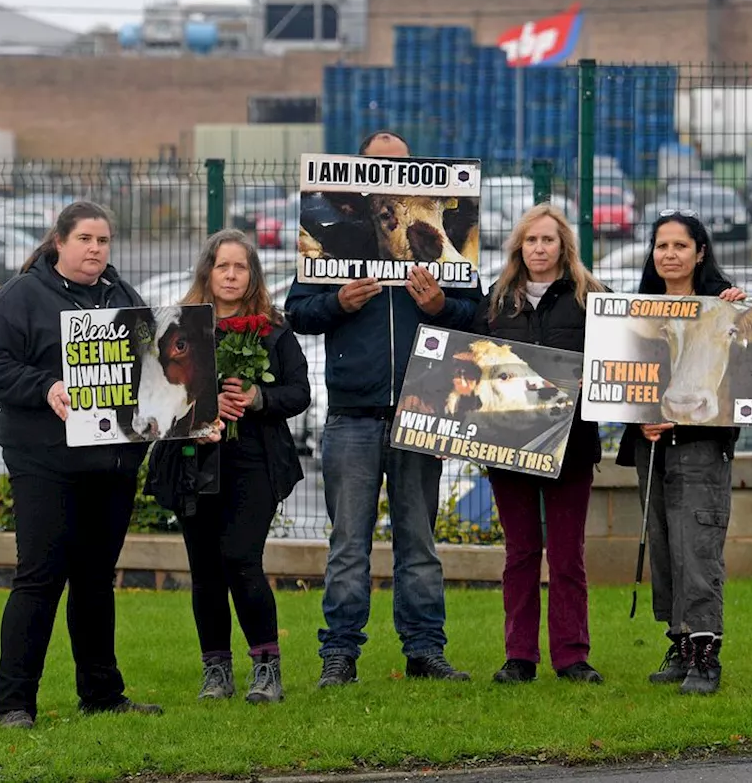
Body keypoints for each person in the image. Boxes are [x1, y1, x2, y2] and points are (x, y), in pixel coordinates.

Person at [0, 200, 193, 728]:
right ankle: (15, 704)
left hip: (112, 463)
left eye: (104, 241)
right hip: (44, 460)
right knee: (40, 578)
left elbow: (152, 369)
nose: (96, 249)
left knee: (95, 580)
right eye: (86, 239)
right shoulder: (21, 297)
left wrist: (180, 403)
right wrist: (44, 386)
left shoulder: (124, 298)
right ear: (60, 242)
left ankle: (101, 693)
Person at [285, 130, 484, 687]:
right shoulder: (333, 239)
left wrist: (440, 305)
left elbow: (477, 313)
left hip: (423, 409)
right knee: (349, 541)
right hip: (353, 412)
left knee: (418, 541)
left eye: (398, 166)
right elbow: (297, 312)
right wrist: (338, 302)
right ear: (359, 175)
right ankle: (339, 654)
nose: (389, 174)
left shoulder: (444, 239)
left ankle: (425, 651)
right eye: (377, 166)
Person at [144, 230, 311, 705]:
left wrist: (259, 398)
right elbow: (158, 395)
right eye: (223, 266)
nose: (232, 275)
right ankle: (216, 670)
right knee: (205, 569)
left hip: (254, 462)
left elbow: (300, 394)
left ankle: (267, 668)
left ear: (252, 275)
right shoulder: (180, 330)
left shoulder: (274, 330)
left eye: (240, 267)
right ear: (208, 273)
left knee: (241, 558)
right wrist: (203, 406)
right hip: (194, 463)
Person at [615, 210, 752, 696]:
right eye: (662, 246)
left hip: (703, 447)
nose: (670, 255)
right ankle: (680, 644)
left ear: (700, 252)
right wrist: (642, 417)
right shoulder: (638, 311)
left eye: (681, 246)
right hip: (654, 447)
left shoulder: (725, 305)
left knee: (697, 547)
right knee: (663, 546)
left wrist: (742, 320)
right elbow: (620, 378)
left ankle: (707, 656)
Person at [471, 204, 607, 685]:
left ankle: (572, 657)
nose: (539, 248)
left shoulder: (593, 297)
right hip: (509, 449)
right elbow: (469, 366)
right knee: (521, 552)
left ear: (563, 246)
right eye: (531, 240)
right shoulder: (496, 301)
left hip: (572, 447)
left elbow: (618, 364)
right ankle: (519, 657)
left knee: (568, 555)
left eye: (548, 240)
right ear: (518, 247)